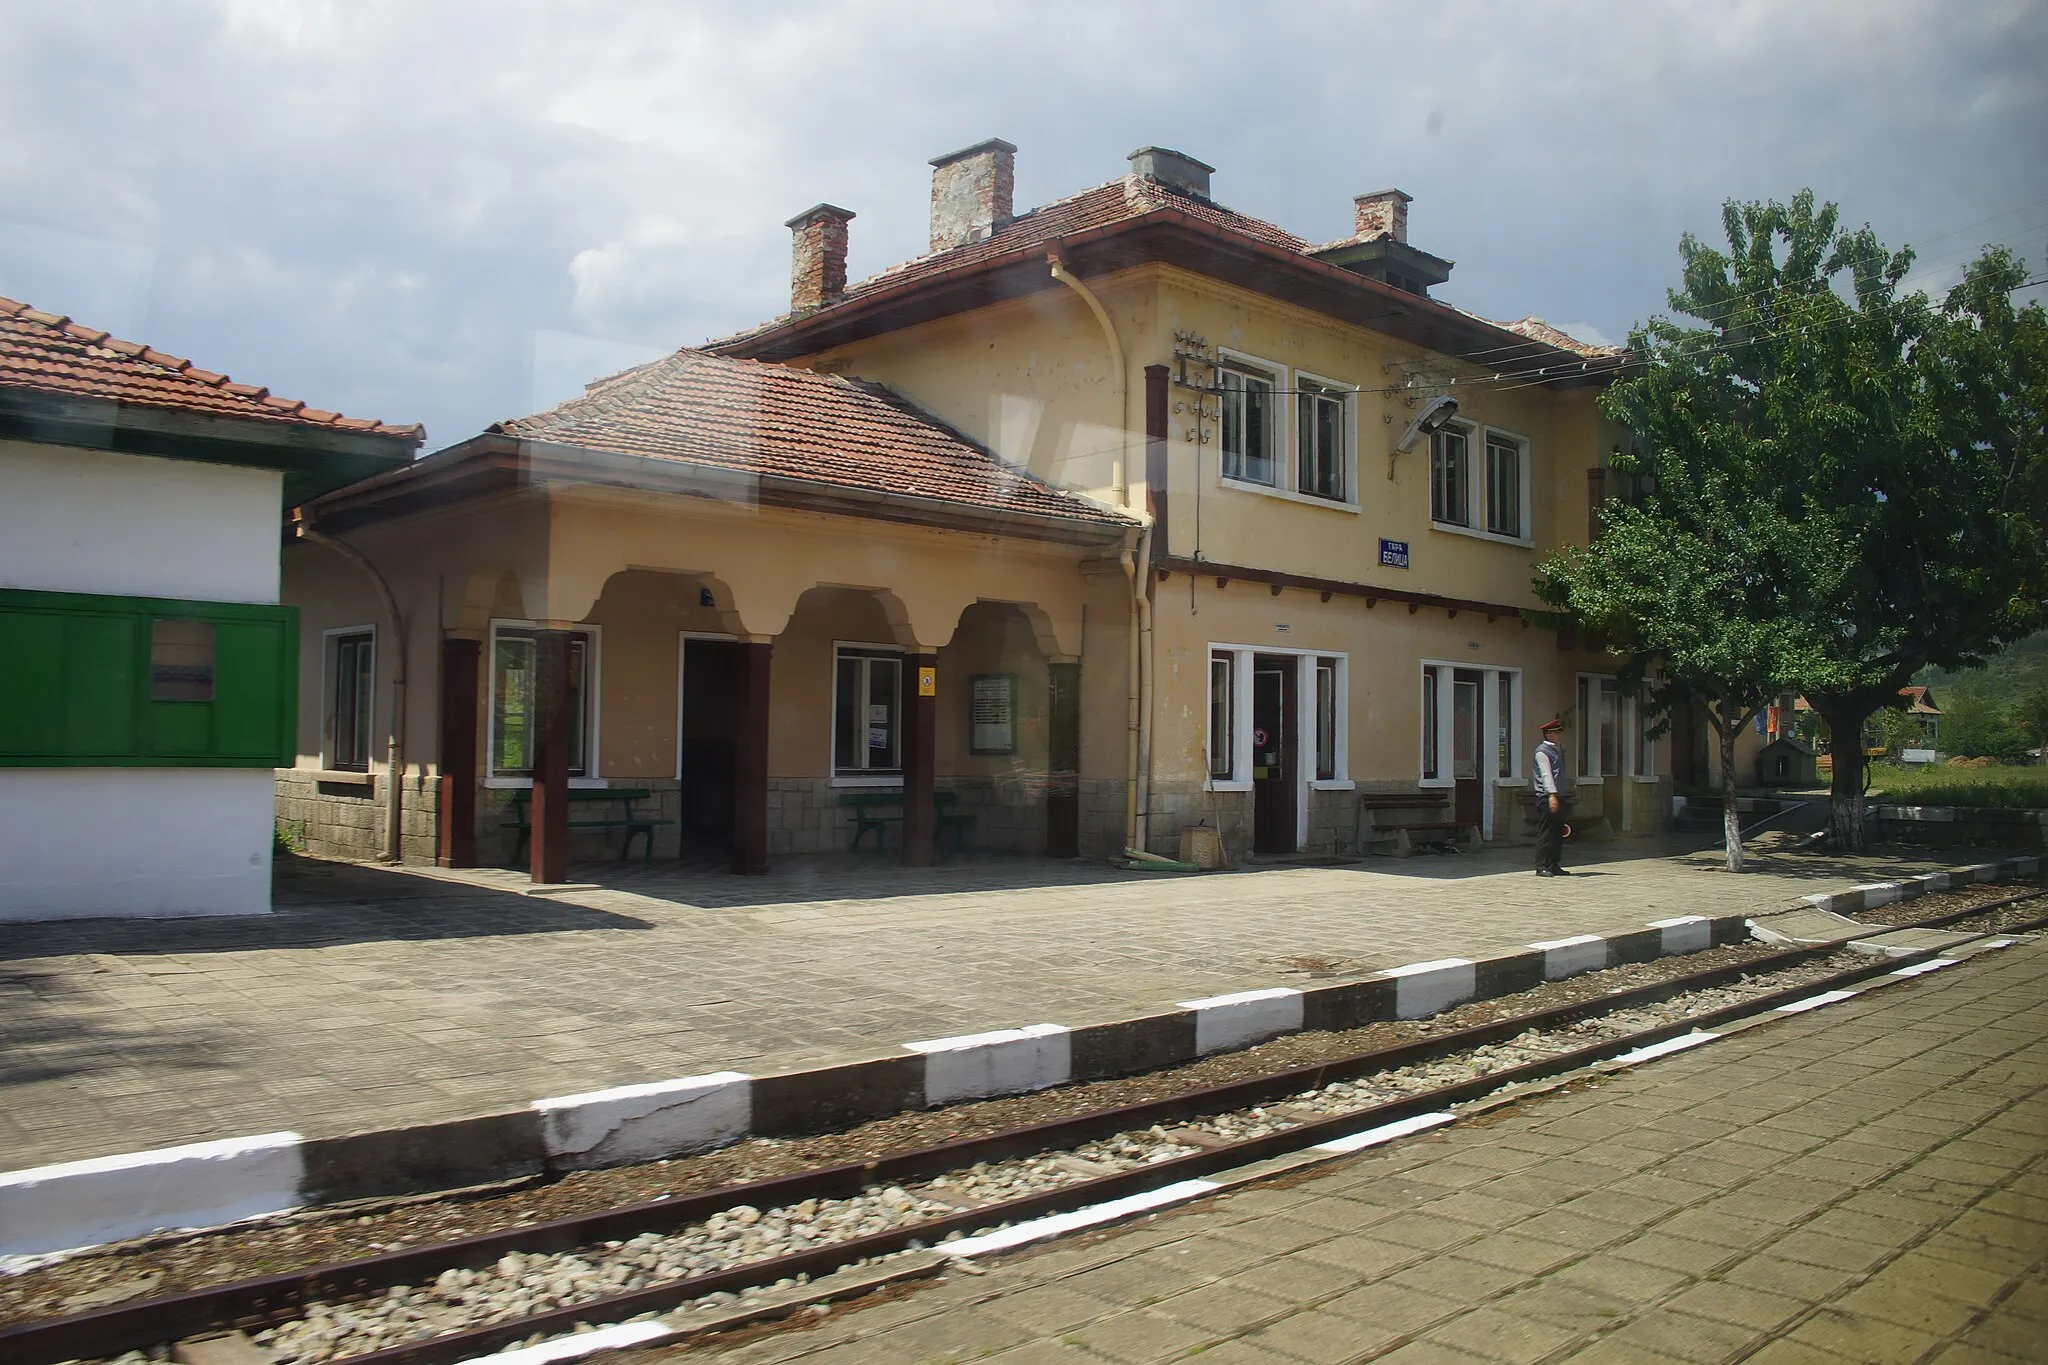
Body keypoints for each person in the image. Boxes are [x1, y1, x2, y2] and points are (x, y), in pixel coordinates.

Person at [1532, 716, 1568, 876]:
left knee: (1558, 832)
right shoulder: (1542, 752)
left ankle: (1554, 864)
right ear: (1548, 734)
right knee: (1546, 832)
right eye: (1556, 733)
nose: (1559, 736)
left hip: (1558, 795)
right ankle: (1541, 866)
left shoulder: (1556, 750)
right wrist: (1552, 795)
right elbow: (1546, 775)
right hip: (1547, 797)